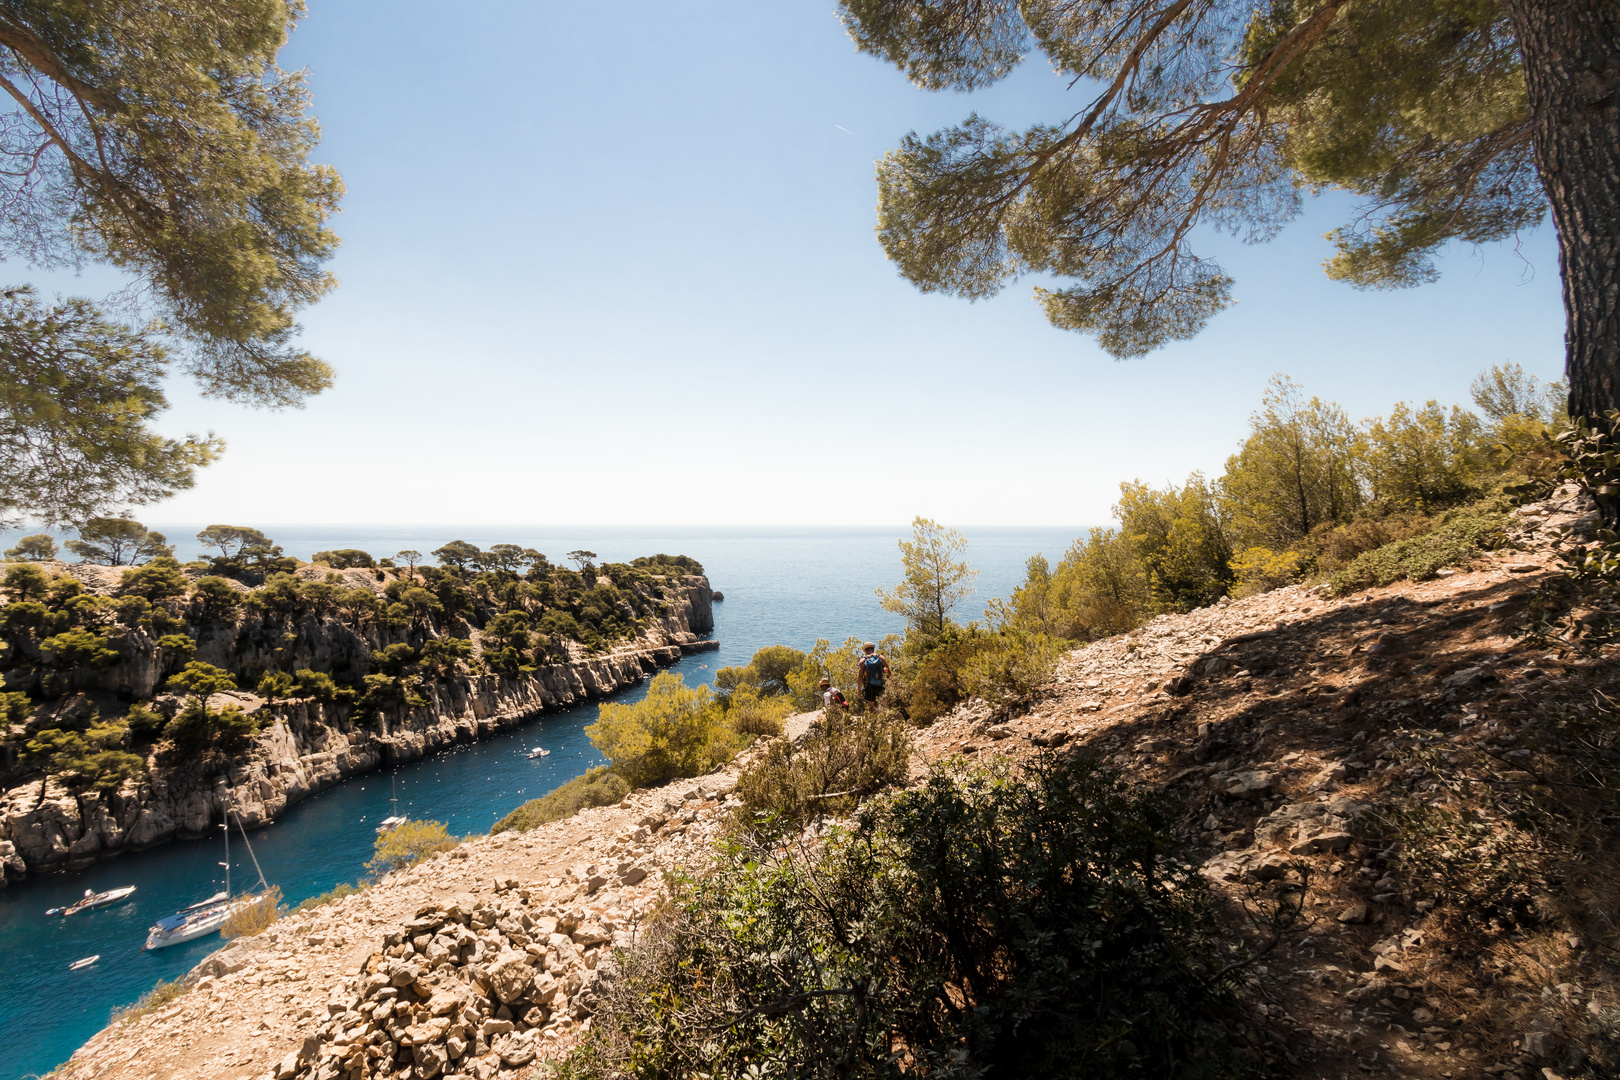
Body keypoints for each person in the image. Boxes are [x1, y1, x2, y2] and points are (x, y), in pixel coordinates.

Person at [856, 641, 890, 708]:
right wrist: (891, 684)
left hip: (870, 685)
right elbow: (888, 672)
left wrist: (859, 690)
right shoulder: (881, 658)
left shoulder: (863, 661)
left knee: (871, 707)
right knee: (884, 705)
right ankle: (884, 717)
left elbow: (860, 677)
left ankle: (873, 717)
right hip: (882, 684)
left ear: (865, 651)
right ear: (873, 649)